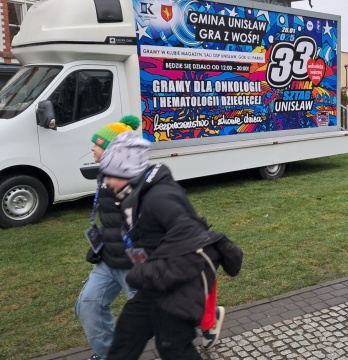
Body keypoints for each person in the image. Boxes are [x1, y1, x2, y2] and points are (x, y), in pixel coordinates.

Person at [101, 132, 242, 359]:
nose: (107, 182)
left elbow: (196, 245)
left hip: (180, 289)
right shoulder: (141, 194)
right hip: (156, 287)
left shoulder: (159, 198)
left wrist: (148, 272)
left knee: (173, 348)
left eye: (110, 175)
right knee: (125, 340)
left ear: (126, 172)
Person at [75, 115, 140, 360]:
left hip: (135, 265)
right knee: (88, 307)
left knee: (158, 316)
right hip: (108, 260)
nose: (92, 148)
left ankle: (205, 319)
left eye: (97, 144)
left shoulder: (137, 181)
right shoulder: (105, 175)